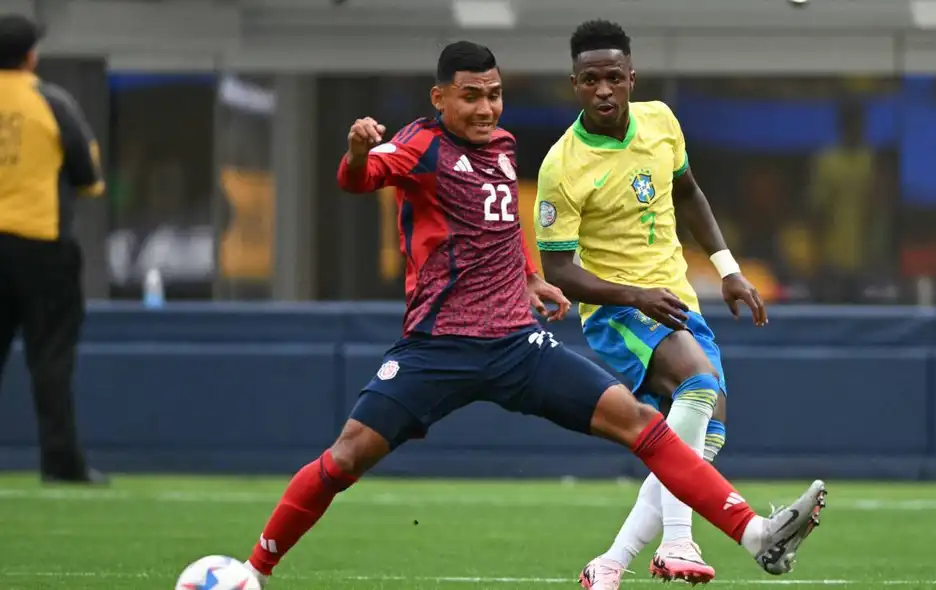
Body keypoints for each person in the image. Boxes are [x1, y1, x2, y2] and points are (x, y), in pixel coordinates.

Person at [241, 40, 825, 588]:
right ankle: (252, 570)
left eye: (494, 94)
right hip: (438, 348)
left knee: (641, 422)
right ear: (439, 97)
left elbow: (500, 225)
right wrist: (356, 150)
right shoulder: (420, 146)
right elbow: (358, 179)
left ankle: (753, 533)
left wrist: (528, 276)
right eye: (471, 96)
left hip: (516, 345)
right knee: (347, 455)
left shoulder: (502, 146)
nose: (486, 108)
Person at [534, 20, 777, 587]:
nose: (603, 90)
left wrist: (729, 270)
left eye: (613, 78)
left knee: (702, 440)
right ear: (574, 84)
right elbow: (559, 271)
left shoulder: (662, 122)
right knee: (697, 384)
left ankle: (609, 564)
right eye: (590, 80)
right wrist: (635, 294)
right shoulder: (561, 166)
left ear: (631, 78)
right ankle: (677, 542)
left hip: (675, 302)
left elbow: (688, 192)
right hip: (618, 311)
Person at [0, 14, 107, 485]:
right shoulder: (51, 102)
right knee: (51, 359)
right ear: (30, 56)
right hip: (41, 245)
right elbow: (89, 178)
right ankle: (60, 462)